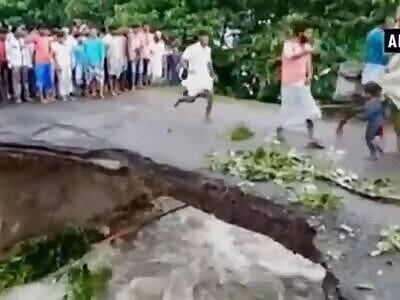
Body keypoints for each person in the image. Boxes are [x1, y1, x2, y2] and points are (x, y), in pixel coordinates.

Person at [275, 22, 323, 148]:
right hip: (289, 82)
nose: (310, 35)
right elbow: (290, 56)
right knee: (287, 109)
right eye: (308, 32)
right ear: (300, 33)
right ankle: (279, 131)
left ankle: (312, 138)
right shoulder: (289, 45)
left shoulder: (306, 46)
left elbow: (308, 63)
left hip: (302, 82)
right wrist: (305, 51)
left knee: (308, 109)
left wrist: (309, 76)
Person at [174, 30, 215, 122]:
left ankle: (207, 115)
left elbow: (209, 63)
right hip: (195, 76)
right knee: (191, 99)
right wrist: (186, 68)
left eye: (207, 39)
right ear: (200, 39)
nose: (206, 41)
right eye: (204, 39)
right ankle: (181, 100)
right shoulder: (192, 49)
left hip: (205, 76)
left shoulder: (208, 50)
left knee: (211, 95)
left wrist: (212, 74)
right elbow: (183, 59)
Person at [336, 82, 385, 161]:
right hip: (379, 121)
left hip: (374, 122)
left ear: (369, 94)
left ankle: (374, 154)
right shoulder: (377, 100)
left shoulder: (370, 103)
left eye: (364, 93)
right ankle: (377, 149)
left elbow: (368, 115)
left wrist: (358, 116)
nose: (363, 95)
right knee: (371, 138)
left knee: (368, 138)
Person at [361, 17, 394, 85]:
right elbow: (389, 53)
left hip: (370, 66)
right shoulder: (382, 35)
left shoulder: (373, 32)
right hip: (378, 67)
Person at [26, 27, 53, 103]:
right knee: (40, 79)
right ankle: (41, 97)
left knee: (47, 79)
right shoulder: (37, 38)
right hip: (39, 61)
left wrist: (49, 57)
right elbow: (26, 40)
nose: (44, 31)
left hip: (47, 61)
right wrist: (33, 33)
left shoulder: (48, 39)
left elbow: (51, 49)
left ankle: (47, 96)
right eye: (41, 30)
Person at [6, 28, 32, 103]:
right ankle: (17, 97)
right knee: (17, 81)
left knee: (25, 81)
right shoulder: (10, 41)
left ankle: (26, 96)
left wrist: (29, 63)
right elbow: (8, 53)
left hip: (24, 63)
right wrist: (10, 63)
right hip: (15, 63)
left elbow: (27, 52)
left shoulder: (23, 41)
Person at [83, 27, 106, 98]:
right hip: (89, 62)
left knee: (100, 78)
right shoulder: (86, 42)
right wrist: (86, 62)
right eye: (91, 32)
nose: (93, 33)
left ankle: (101, 93)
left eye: (94, 32)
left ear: (96, 33)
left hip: (97, 62)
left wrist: (102, 62)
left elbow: (102, 52)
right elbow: (84, 52)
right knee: (91, 78)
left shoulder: (100, 41)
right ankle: (94, 91)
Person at [52, 30, 73, 101]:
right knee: (62, 79)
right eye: (60, 37)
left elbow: (70, 54)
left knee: (68, 79)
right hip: (60, 64)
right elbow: (53, 56)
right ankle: (62, 94)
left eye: (63, 37)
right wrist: (57, 65)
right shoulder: (54, 45)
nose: (62, 39)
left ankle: (68, 93)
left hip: (67, 64)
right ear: (58, 38)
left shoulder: (68, 45)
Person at [104, 28, 126, 96]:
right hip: (110, 58)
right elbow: (105, 49)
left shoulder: (120, 39)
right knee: (111, 75)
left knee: (117, 75)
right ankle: (111, 90)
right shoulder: (107, 38)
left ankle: (116, 88)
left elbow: (122, 49)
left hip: (118, 59)